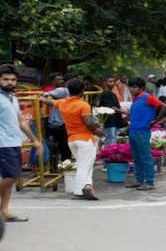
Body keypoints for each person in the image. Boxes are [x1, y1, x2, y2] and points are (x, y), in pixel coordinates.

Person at [42, 79, 104, 200]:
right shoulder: (83, 105)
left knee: (86, 165)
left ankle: (87, 186)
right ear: (82, 91)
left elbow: (49, 102)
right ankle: (79, 190)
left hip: (72, 140)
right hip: (85, 139)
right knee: (83, 166)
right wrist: (98, 131)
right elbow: (89, 123)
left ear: (68, 90)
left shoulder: (63, 102)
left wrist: (42, 97)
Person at [0, 64, 43, 221]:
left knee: (10, 177)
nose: (10, 82)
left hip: (14, 142)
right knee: (12, 176)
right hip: (2, 143)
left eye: (13, 79)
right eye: (6, 79)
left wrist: (35, 140)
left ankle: (4, 210)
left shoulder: (12, 97)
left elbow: (22, 122)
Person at [126, 78, 166, 191]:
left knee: (145, 157)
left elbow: (164, 106)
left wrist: (155, 121)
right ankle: (139, 180)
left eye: (134, 87)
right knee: (136, 157)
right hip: (133, 131)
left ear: (140, 88)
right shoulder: (136, 99)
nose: (131, 89)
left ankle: (149, 182)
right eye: (130, 87)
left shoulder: (147, 97)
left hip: (142, 131)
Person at [43, 73, 71, 162]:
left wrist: (43, 96)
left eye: (62, 79)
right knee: (54, 146)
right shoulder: (56, 91)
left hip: (62, 122)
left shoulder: (63, 90)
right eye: (58, 79)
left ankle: (66, 165)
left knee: (63, 146)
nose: (62, 81)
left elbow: (45, 95)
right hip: (54, 122)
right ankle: (56, 166)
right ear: (53, 81)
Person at [99, 76, 123, 147]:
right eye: (110, 81)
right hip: (108, 121)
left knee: (113, 139)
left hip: (114, 120)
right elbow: (111, 107)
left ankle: (111, 155)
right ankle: (109, 155)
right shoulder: (105, 94)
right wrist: (124, 112)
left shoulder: (112, 94)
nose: (113, 83)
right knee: (110, 140)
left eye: (113, 81)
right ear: (105, 83)